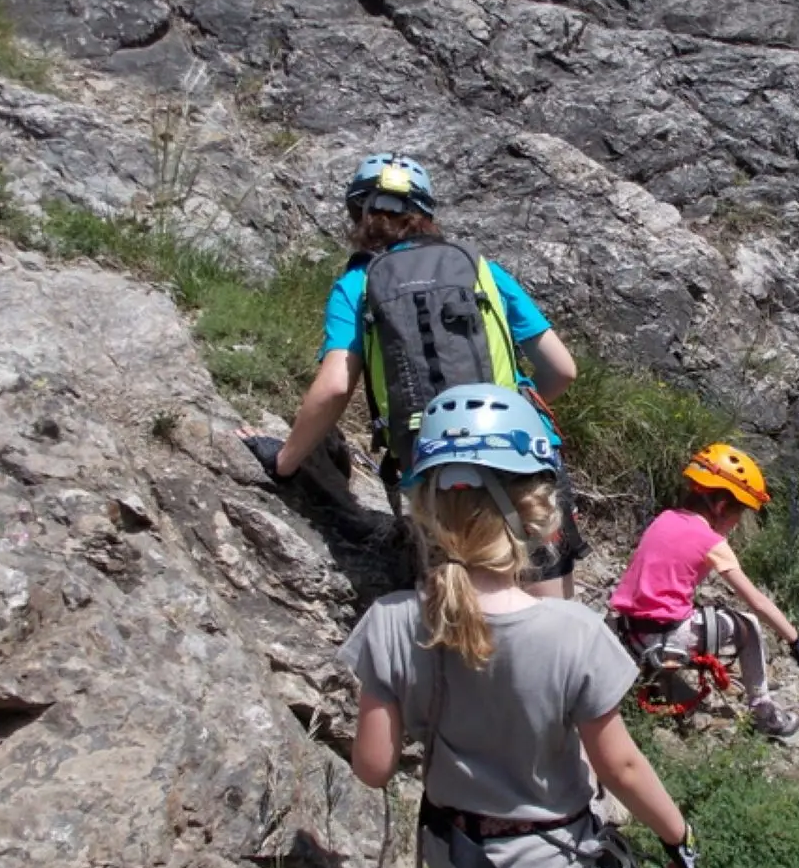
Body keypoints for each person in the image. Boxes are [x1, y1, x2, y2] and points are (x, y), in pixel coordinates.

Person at [342, 384, 696, 868]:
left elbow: (374, 767)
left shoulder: (390, 622)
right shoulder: (570, 630)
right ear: (537, 510)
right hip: (556, 861)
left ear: (426, 506)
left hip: (465, 858)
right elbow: (618, 765)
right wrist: (678, 836)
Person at [239, 152, 586, 599]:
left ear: (359, 213)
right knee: (550, 621)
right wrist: (511, 413)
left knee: (461, 618)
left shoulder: (357, 285)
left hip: (434, 470)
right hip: (526, 457)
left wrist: (284, 462)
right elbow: (562, 369)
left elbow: (335, 386)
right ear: (425, 216)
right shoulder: (480, 268)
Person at [609, 444, 799, 739]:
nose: (736, 523)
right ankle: (764, 710)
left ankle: (655, 682)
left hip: (628, 631)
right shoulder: (711, 541)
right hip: (665, 636)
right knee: (748, 625)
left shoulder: (664, 518)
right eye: (738, 514)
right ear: (720, 506)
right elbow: (756, 602)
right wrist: (796, 641)